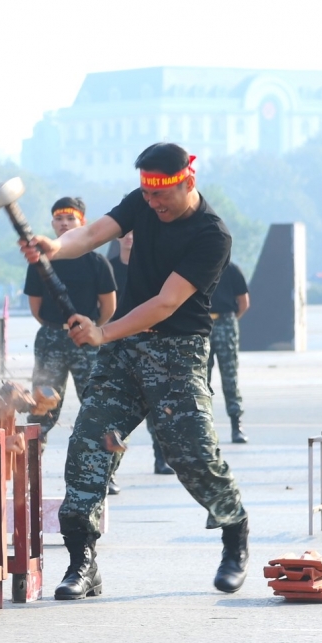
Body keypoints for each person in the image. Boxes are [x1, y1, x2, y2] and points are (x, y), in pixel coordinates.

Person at [21, 143, 250, 599]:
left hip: (178, 354)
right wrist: (53, 246)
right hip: (125, 356)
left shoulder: (212, 235)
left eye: (161, 195)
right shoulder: (142, 201)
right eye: (146, 194)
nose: (152, 203)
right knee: (89, 445)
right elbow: (90, 236)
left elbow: (165, 303)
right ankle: (82, 562)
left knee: (194, 455)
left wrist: (103, 334)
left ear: (188, 182)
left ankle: (234, 533)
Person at [24, 197, 116, 458]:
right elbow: (36, 308)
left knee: (97, 404)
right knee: (42, 406)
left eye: (70, 219)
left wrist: (92, 329)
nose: (64, 224)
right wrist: (58, 328)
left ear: (82, 222)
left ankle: (104, 469)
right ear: (52, 223)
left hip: (87, 341)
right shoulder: (39, 262)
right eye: (59, 219)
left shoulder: (97, 262)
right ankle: (32, 469)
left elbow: (108, 307)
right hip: (51, 338)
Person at [110, 230, 175, 479]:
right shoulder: (108, 267)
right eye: (124, 233)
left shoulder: (154, 268)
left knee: (158, 407)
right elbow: (105, 306)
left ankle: (161, 460)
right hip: (117, 344)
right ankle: (110, 473)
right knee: (116, 412)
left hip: (152, 344)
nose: (129, 238)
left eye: (135, 233)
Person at [207, 261, 250, 444]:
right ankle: (204, 427)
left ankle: (236, 425)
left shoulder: (231, 269)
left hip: (225, 320)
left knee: (230, 376)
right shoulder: (198, 266)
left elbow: (244, 302)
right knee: (200, 379)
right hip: (202, 323)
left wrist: (230, 322)